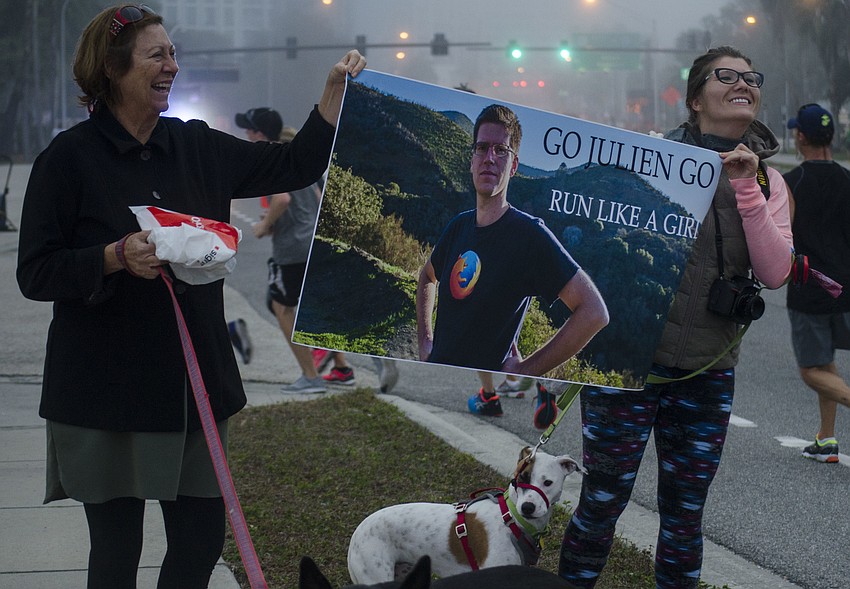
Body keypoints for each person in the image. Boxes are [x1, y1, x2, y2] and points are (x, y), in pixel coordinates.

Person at [15, 5, 365, 588]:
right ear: (112, 68)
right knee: (115, 556)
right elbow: (35, 272)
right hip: (104, 392)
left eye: (173, 53)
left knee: (201, 542)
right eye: (158, 55)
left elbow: (296, 163)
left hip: (193, 386)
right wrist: (112, 257)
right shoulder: (68, 159)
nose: (172, 66)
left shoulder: (197, 146)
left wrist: (332, 94)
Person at [559, 46, 793, 589]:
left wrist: (745, 186)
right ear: (694, 99)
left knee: (685, 519)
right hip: (626, 365)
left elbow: (776, 271)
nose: (744, 82)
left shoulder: (769, 183)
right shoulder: (653, 158)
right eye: (727, 75)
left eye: (751, 76)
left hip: (705, 375)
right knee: (600, 503)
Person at [416, 104, 609, 415]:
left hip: (481, 401)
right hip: (433, 381)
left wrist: (525, 371)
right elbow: (428, 277)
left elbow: (594, 312)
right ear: (472, 159)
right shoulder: (458, 227)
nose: (490, 157)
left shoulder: (529, 235)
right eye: (482, 148)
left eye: (501, 150)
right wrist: (425, 343)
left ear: (514, 165)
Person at [784, 103, 850, 463]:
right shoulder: (847, 179)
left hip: (810, 288)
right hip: (845, 289)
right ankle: (826, 439)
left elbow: (783, 238)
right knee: (826, 363)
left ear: (801, 137)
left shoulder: (791, 182)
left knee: (811, 371)